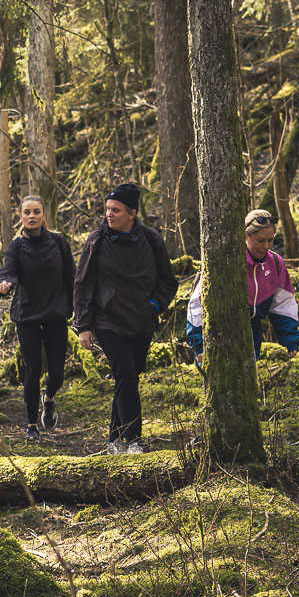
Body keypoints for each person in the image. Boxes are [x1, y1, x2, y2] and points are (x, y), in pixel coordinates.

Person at [74, 183, 178, 455]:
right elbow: (82, 284)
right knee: (126, 375)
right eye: (107, 209)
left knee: (127, 379)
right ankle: (133, 441)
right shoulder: (97, 240)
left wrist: (154, 304)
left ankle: (113, 440)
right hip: (108, 321)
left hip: (141, 322)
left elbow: (168, 281)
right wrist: (83, 325)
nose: (109, 214)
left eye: (116, 210)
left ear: (132, 213)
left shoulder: (152, 240)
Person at [0, 196, 75, 442]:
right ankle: (31, 424)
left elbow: (71, 276)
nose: (32, 216)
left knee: (57, 373)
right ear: (20, 216)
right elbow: (8, 270)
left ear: (44, 215)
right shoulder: (17, 246)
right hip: (27, 314)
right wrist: (5, 284)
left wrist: (76, 307)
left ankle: (49, 400)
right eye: (27, 212)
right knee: (32, 369)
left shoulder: (58, 242)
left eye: (36, 212)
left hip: (55, 313)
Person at [185, 210, 299, 362]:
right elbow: (197, 304)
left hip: (253, 333)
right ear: (246, 236)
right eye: (260, 241)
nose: (266, 246)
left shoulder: (275, 263)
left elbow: (283, 305)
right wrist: (199, 346)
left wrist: (290, 342)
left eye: (270, 240)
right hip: (220, 337)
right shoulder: (225, 262)